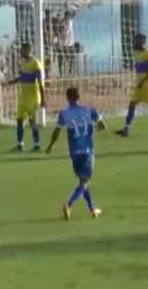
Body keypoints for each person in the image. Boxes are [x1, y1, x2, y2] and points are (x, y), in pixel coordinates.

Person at [45, 87, 106, 220]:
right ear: (79, 97)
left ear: (67, 98)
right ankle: (69, 205)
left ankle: (92, 208)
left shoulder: (64, 114)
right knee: (84, 182)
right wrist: (98, 126)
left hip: (74, 152)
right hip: (87, 151)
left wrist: (50, 146)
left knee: (83, 181)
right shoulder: (90, 110)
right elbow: (102, 125)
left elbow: (57, 132)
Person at [115, 33, 148, 138]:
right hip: (139, 84)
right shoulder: (136, 53)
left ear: (142, 42)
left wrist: (143, 81)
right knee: (132, 104)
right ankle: (126, 129)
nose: (134, 43)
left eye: (136, 41)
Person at [6, 43, 45, 151]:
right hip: (24, 96)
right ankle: (20, 144)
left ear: (29, 50)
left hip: (33, 96)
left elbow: (40, 82)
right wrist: (11, 82)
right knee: (19, 119)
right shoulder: (22, 62)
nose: (21, 52)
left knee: (32, 121)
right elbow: (22, 77)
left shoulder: (36, 64)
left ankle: (37, 145)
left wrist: (43, 99)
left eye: (23, 50)